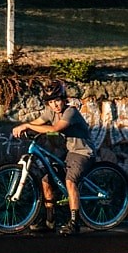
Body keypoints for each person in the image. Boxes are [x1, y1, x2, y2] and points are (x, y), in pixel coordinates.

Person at [12, 81, 96, 235]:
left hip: (83, 153)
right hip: (69, 153)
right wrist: (24, 125)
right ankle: (50, 222)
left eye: (57, 100)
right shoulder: (50, 112)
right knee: (46, 180)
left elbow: (55, 128)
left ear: (64, 100)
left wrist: (28, 126)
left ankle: (74, 223)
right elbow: (36, 122)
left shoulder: (70, 112)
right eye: (51, 102)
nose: (55, 105)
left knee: (70, 181)